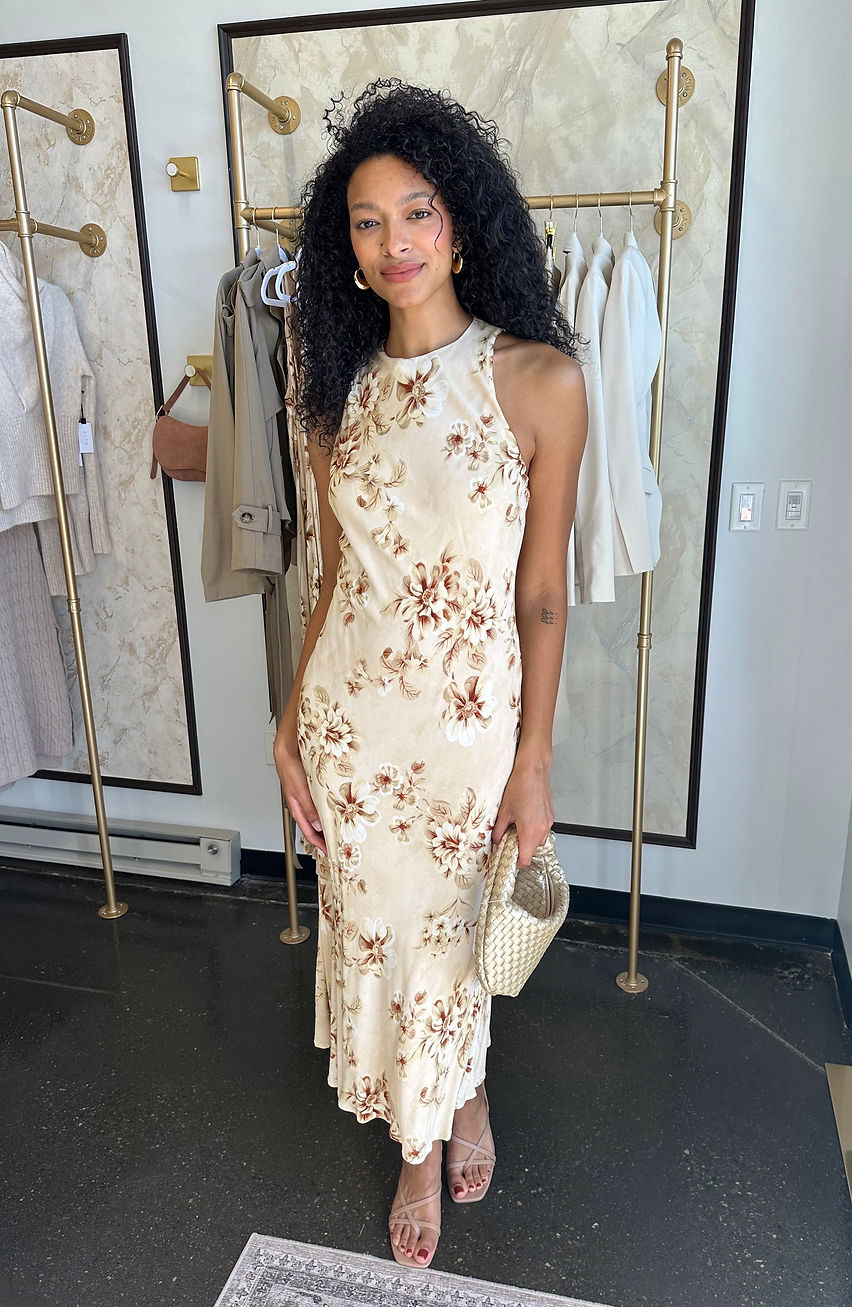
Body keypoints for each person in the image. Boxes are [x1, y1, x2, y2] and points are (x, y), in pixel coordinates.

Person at [274, 80, 586, 1270]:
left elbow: (542, 593)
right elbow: (329, 577)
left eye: (415, 212)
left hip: (463, 735)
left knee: (449, 941)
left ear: (459, 225)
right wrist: (289, 723)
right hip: (350, 727)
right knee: (376, 930)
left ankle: (455, 1102)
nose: (393, 240)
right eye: (366, 221)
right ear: (344, 250)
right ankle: (424, 1132)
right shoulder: (333, 391)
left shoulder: (537, 381)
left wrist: (533, 760)